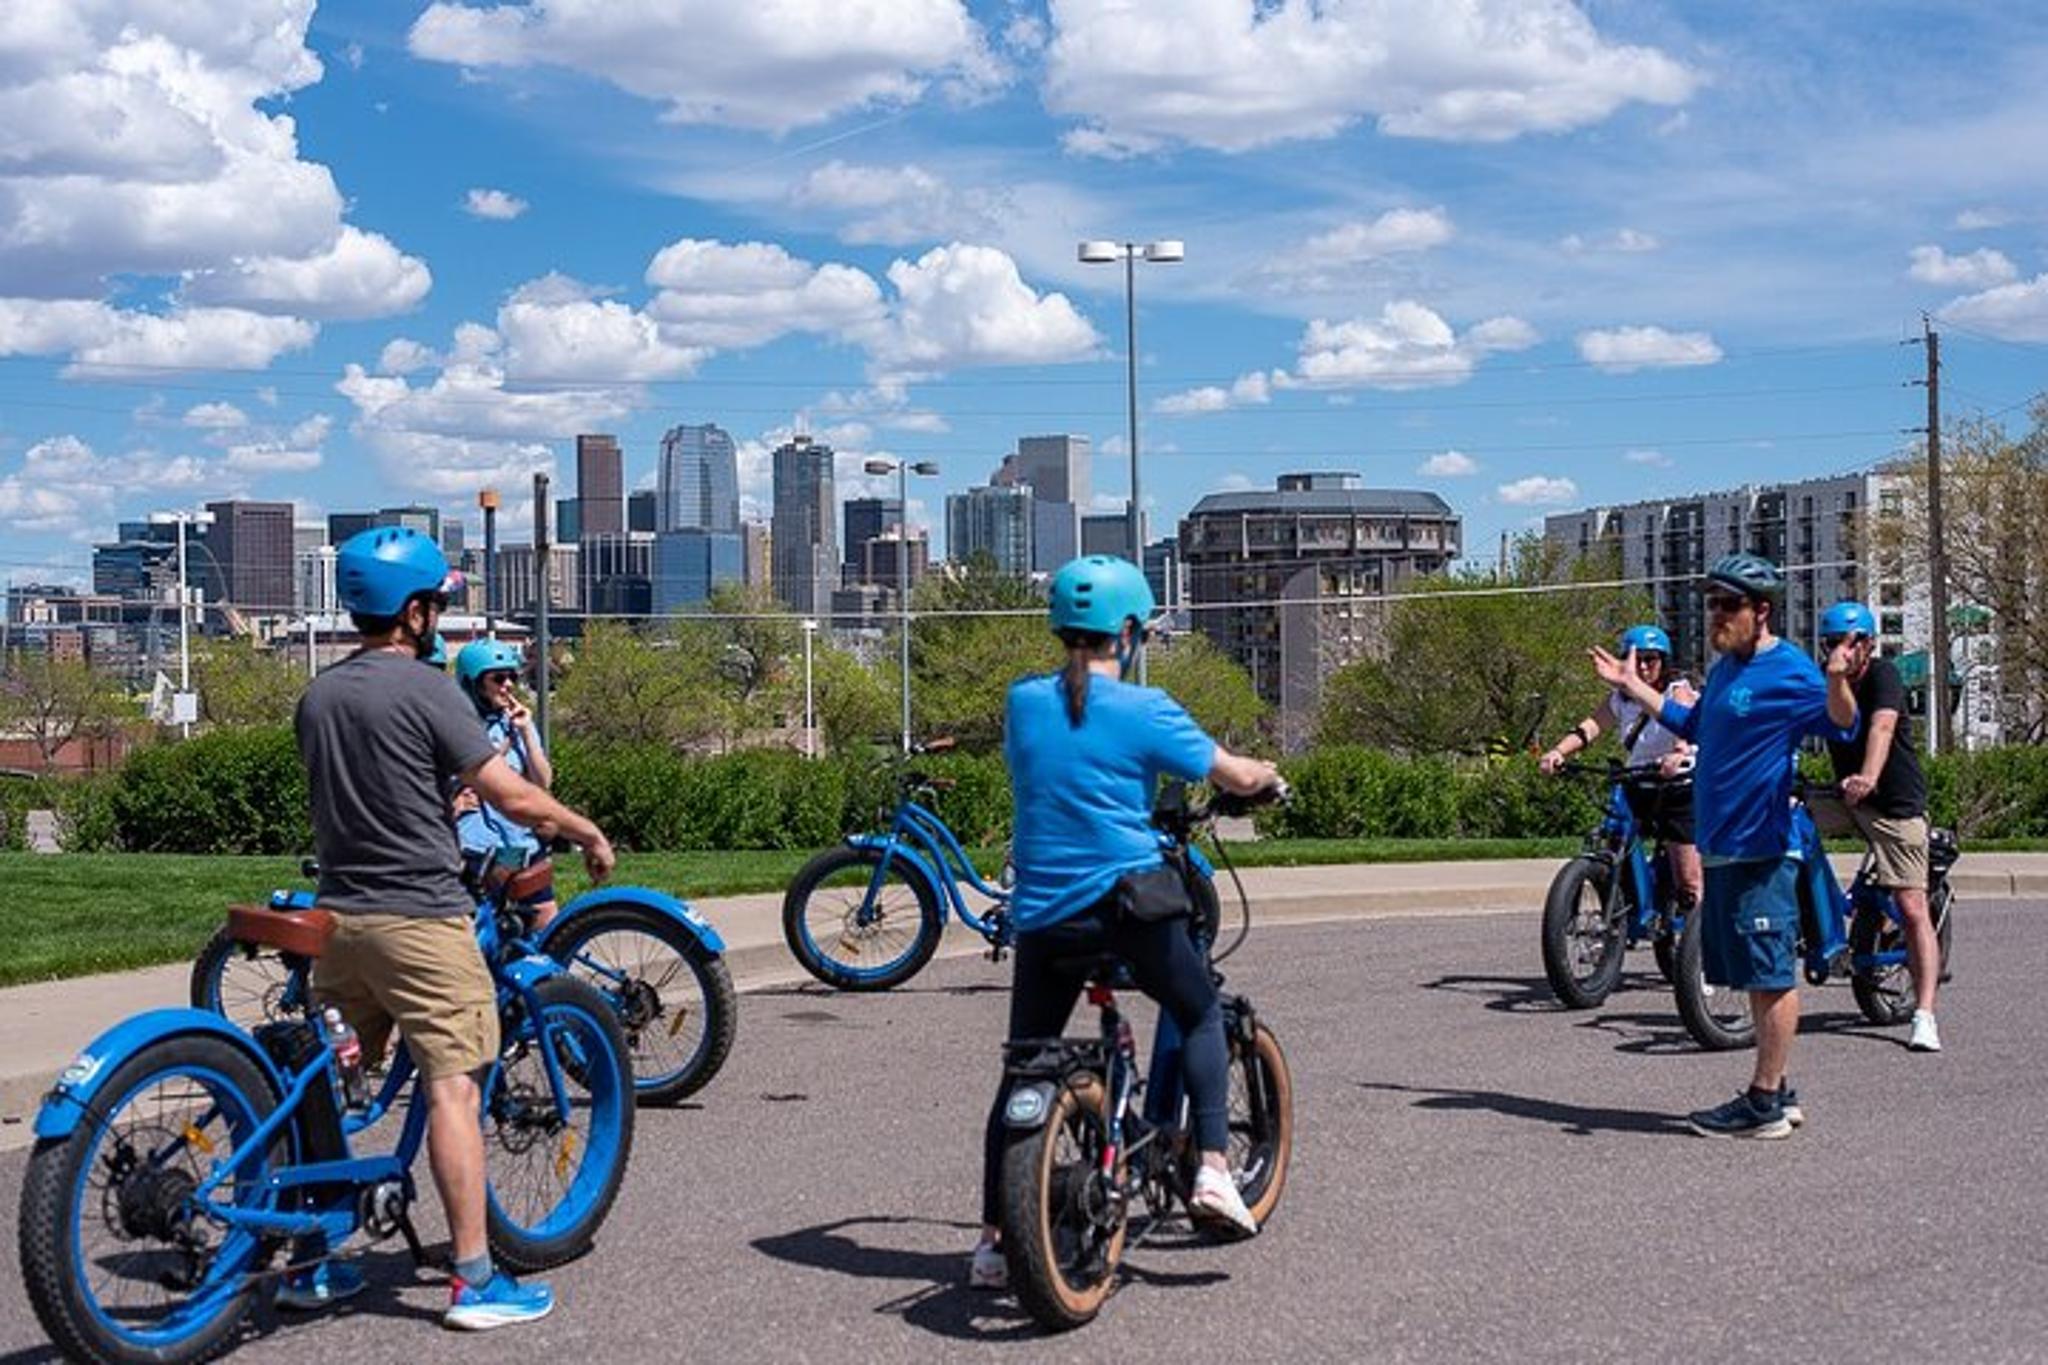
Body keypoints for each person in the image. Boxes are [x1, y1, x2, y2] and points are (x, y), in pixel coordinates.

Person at [290, 526, 617, 1329]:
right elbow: (512, 795)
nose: (440, 617)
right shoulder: (432, 690)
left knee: (328, 1089)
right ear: (410, 611)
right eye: (436, 603)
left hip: (338, 921)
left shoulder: (319, 696)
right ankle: (474, 1278)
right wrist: (584, 830)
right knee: (454, 1087)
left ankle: (316, 1259)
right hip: (422, 919)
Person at [970, 555, 1284, 1290]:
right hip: (1126, 907)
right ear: (1132, 631)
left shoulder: (1023, 702)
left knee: (1027, 1061)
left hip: (1044, 916)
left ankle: (990, 1242)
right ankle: (1211, 1167)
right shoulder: (1147, 709)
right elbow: (1233, 775)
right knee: (1198, 1006)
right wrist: (1268, 776)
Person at [1593, 553, 1857, 1139]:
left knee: (1769, 976)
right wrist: (1632, 686)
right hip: (1725, 848)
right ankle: (1779, 1089)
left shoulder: (1788, 670)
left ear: (1761, 611)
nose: (1717, 614)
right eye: (1712, 602)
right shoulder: (1728, 673)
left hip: (1762, 847)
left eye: (1729, 604)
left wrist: (1837, 677)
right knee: (1752, 975)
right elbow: (1694, 727)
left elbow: (1841, 724)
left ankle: (1763, 1103)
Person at [1814, 600, 1942, 1051]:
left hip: (1893, 804)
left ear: (1868, 645)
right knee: (1783, 823)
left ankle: (1924, 1014)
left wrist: (1868, 777)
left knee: (1911, 908)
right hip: (1844, 795)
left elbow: (1882, 729)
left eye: (1849, 644)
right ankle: (1812, 917)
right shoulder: (1825, 680)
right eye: (1831, 643)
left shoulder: (1883, 675)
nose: (1840, 652)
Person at [1541, 624, 1702, 909]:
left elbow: (1686, 723)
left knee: (1688, 880)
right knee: (1614, 835)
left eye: (1650, 659)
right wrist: (1558, 751)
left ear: (1663, 661)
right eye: (1634, 658)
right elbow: (1590, 727)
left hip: (1678, 785)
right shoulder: (1620, 698)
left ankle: (1695, 932)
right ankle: (1619, 906)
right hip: (1639, 780)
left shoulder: (1677, 690)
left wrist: (1678, 753)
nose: (1641, 665)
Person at [453, 639, 559, 931]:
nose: (509, 685)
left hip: (518, 841)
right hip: (476, 846)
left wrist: (526, 733)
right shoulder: (456, 727)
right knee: (479, 928)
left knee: (544, 918)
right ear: (473, 683)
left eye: (513, 676)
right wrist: (454, 805)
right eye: (498, 678)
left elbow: (543, 781)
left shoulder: (515, 723)